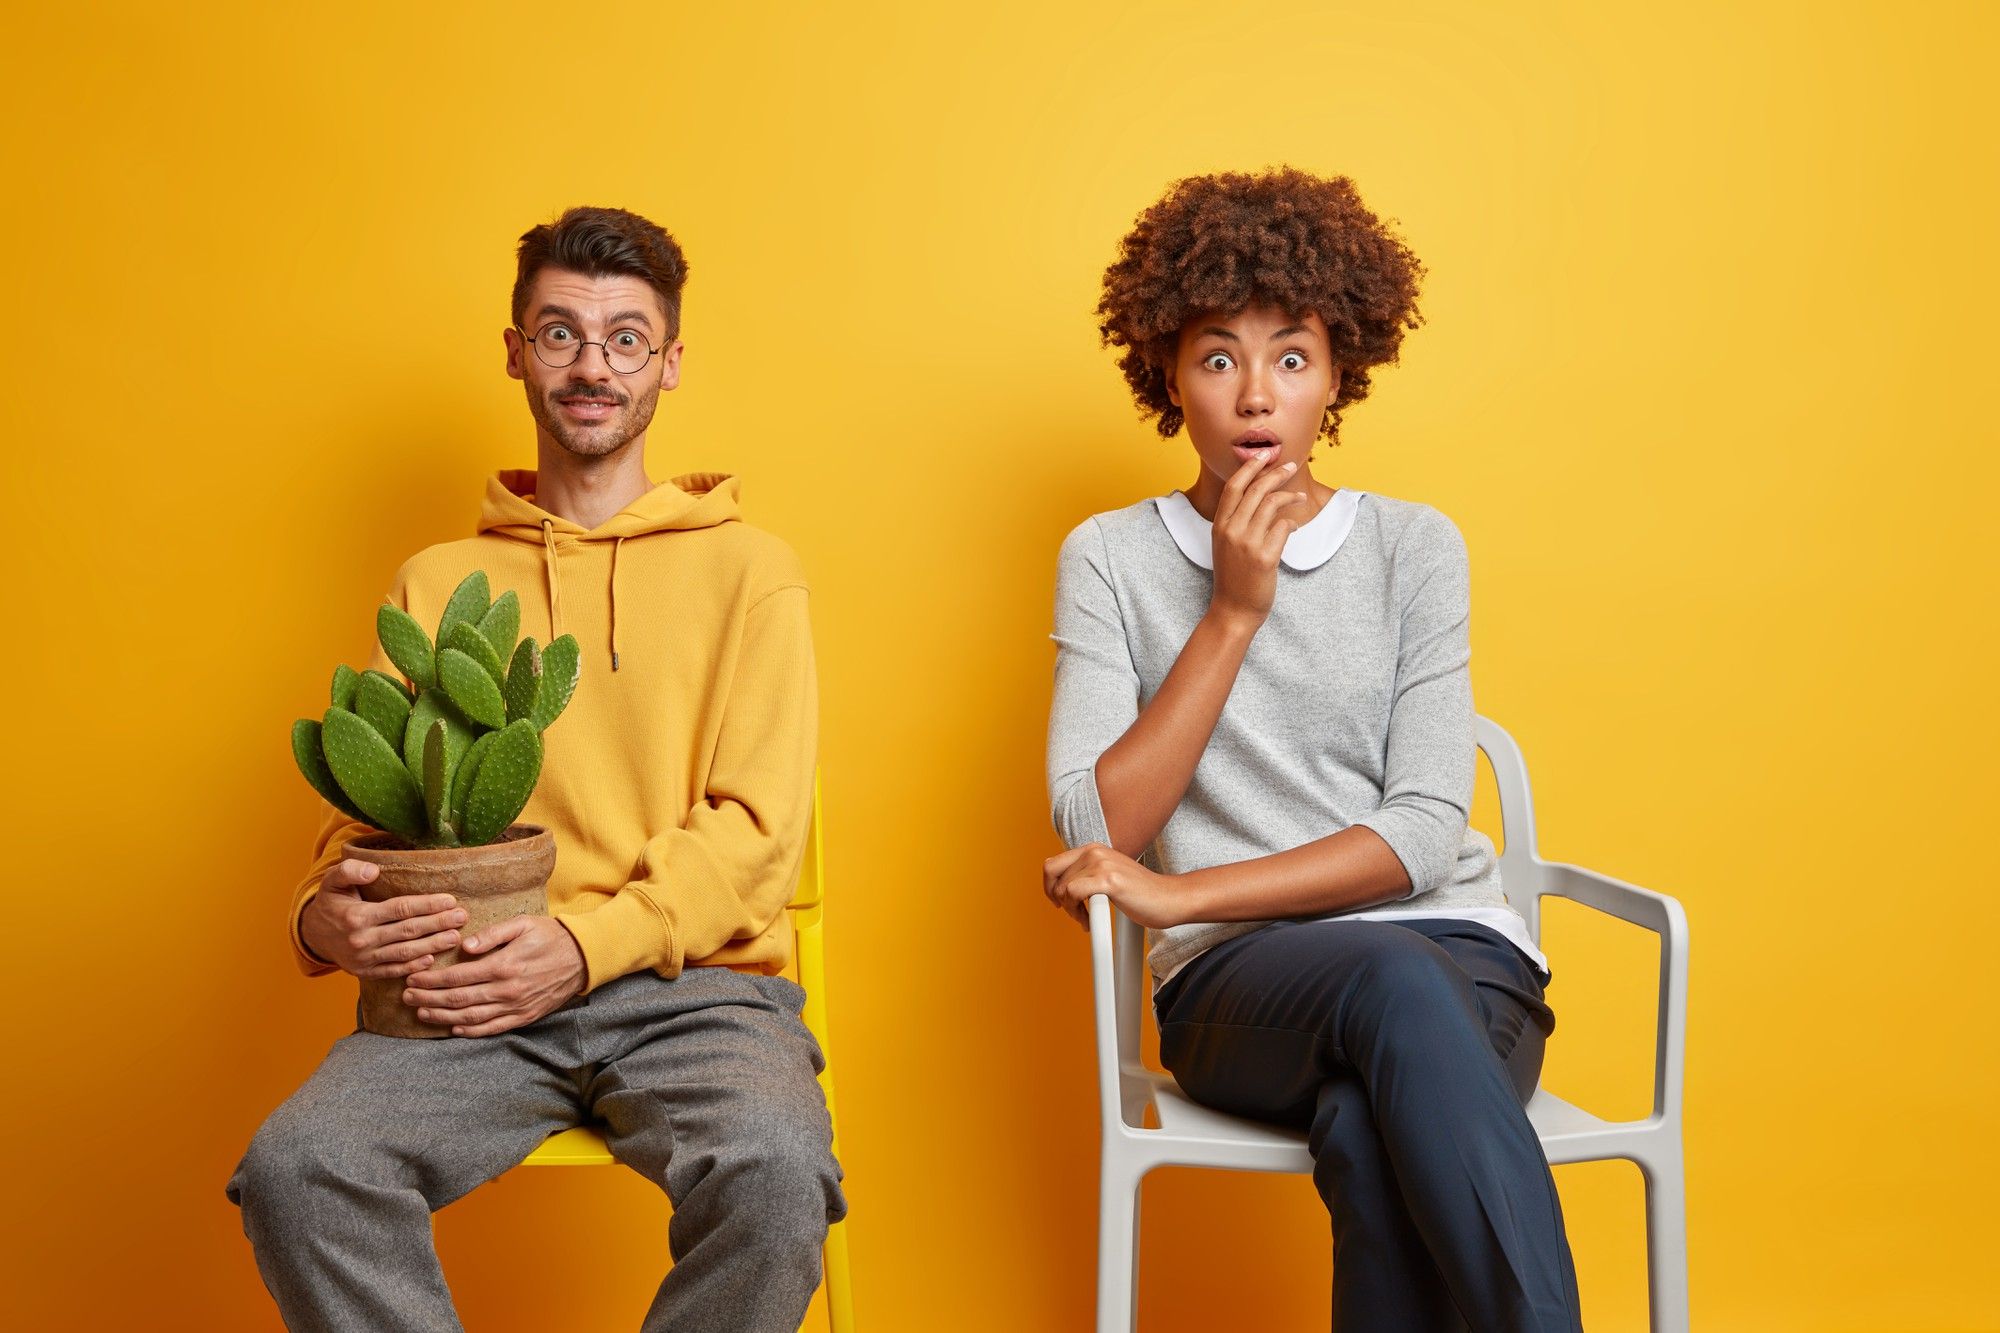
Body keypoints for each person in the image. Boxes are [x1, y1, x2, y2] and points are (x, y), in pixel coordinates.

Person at [229, 205, 844, 1332]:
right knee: (299, 1167)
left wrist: (578, 947)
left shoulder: (754, 572)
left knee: (772, 1172)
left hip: (690, 991)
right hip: (465, 998)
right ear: (515, 351)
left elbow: (757, 837)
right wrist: (323, 924)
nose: (591, 367)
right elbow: (370, 813)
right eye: (559, 334)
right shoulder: (437, 580)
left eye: (623, 339)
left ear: (668, 362)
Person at [1041, 168, 1583, 1331]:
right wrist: (1232, 611)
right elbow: (1098, 828)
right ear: (1165, 374)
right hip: (1239, 984)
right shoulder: (1108, 557)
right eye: (1216, 356)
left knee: (1359, 1115)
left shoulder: (1412, 547)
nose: (1253, 394)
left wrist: (1175, 889)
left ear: (1338, 375)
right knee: (1387, 987)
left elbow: (1422, 833)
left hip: (1459, 957)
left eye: (1290, 357)